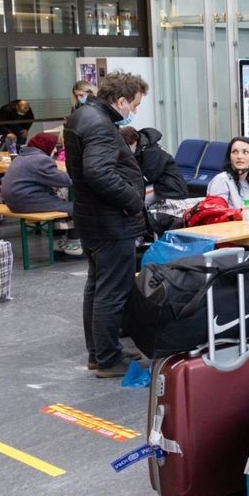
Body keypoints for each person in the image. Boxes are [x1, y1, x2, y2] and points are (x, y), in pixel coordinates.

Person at [63, 71, 149, 378]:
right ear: (121, 100)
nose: (135, 111)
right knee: (112, 290)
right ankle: (108, 358)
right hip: (110, 221)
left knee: (97, 286)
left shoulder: (82, 115)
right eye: (135, 105)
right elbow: (98, 173)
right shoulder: (99, 124)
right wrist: (133, 201)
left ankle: (99, 352)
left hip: (91, 218)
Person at [206, 136, 249, 210]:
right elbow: (214, 213)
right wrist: (239, 214)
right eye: (235, 152)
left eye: (245, 152)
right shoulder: (221, 180)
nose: (239, 156)